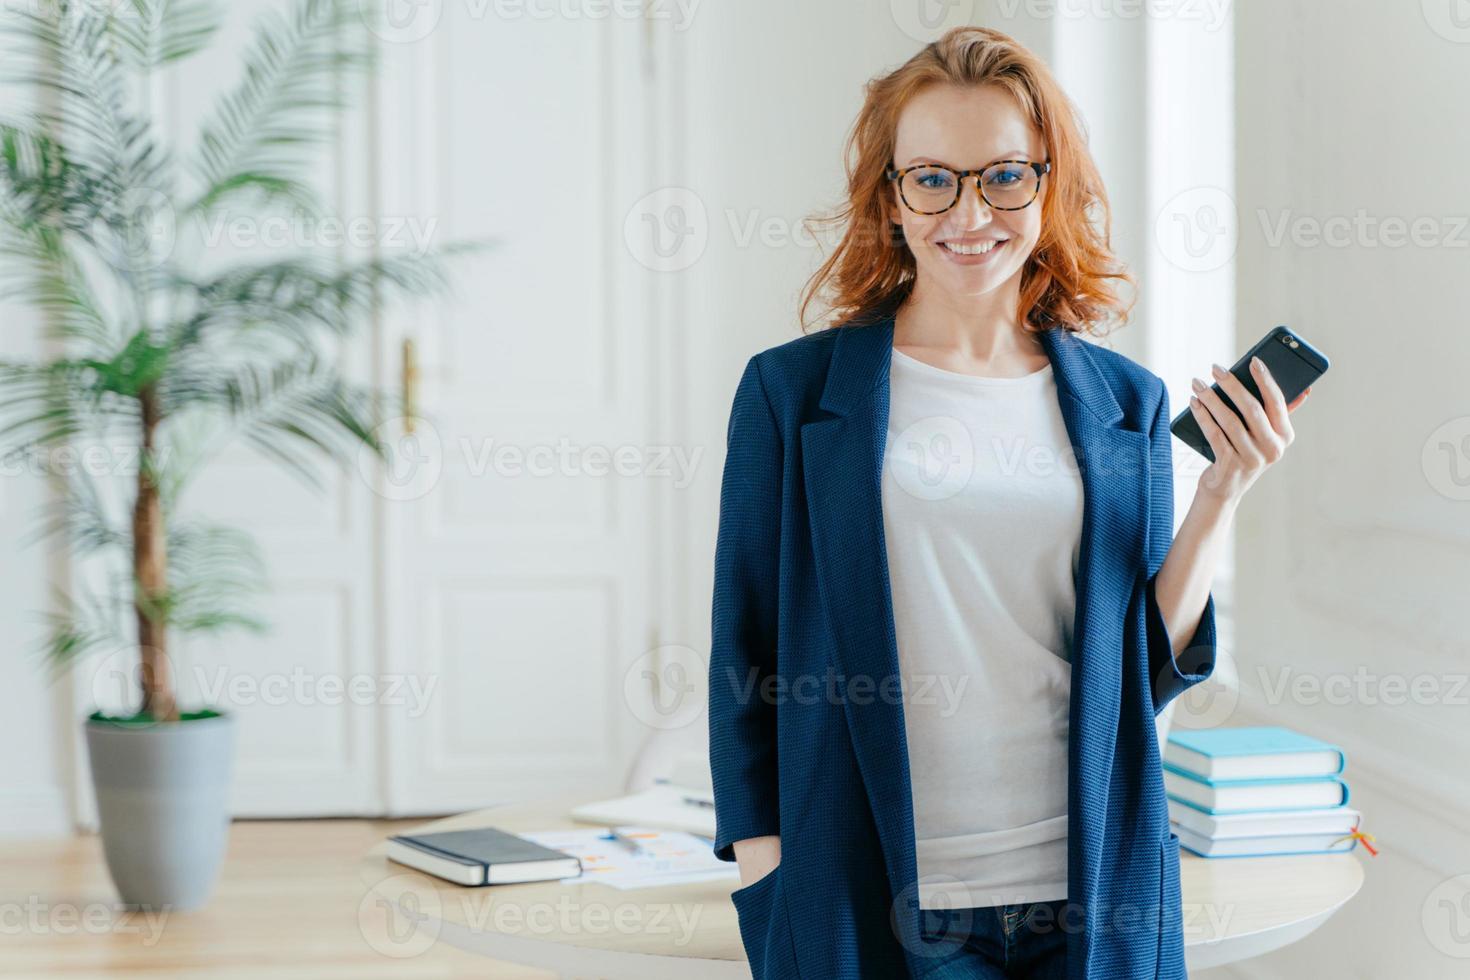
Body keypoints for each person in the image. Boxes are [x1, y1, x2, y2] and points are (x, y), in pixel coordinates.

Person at [708, 25, 1310, 980]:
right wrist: (765, 863)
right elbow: (744, 650)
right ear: (892, 196)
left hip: (1089, 884)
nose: (968, 210)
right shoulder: (793, 394)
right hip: (874, 885)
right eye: (933, 177)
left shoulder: (1124, 402)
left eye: (1003, 175)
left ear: (1047, 185)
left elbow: (1140, 669)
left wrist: (1222, 492)